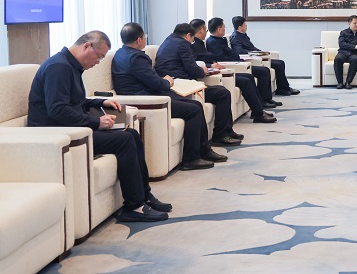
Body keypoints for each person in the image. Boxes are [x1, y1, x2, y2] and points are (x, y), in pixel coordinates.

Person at [28, 31, 170, 222]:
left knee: (132, 135)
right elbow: (58, 110)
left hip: (72, 127)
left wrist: (101, 102)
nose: (98, 62)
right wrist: (97, 122)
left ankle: (144, 195)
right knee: (124, 140)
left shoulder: (70, 66)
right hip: (57, 133)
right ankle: (134, 206)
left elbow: (75, 102)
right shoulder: (58, 67)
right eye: (99, 56)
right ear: (87, 46)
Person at [112, 22, 227, 170]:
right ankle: (192, 158)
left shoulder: (121, 53)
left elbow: (148, 78)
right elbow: (155, 83)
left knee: (195, 104)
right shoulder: (136, 58)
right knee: (194, 109)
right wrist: (167, 81)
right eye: (144, 37)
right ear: (139, 40)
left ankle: (203, 151)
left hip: (145, 95)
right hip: (148, 99)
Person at [155, 23, 242, 147]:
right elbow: (193, 69)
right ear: (188, 35)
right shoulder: (182, 44)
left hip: (175, 83)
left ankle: (227, 131)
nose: (192, 42)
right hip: (181, 86)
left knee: (221, 91)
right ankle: (221, 135)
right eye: (192, 39)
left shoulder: (167, 41)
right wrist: (203, 71)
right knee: (222, 93)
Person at [191, 19, 278, 123]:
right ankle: (258, 113)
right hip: (214, 73)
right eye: (205, 30)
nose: (206, 32)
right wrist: (211, 65)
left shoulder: (201, 43)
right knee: (246, 81)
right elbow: (197, 62)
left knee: (249, 77)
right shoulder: (195, 45)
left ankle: (258, 110)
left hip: (219, 69)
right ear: (201, 30)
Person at [229, 15, 300, 96]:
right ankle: (281, 89)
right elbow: (239, 51)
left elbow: (252, 47)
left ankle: (284, 87)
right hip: (252, 60)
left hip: (258, 57)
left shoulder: (243, 35)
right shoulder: (235, 37)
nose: (246, 26)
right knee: (278, 65)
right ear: (240, 27)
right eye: (245, 24)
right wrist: (255, 53)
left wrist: (261, 52)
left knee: (280, 63)